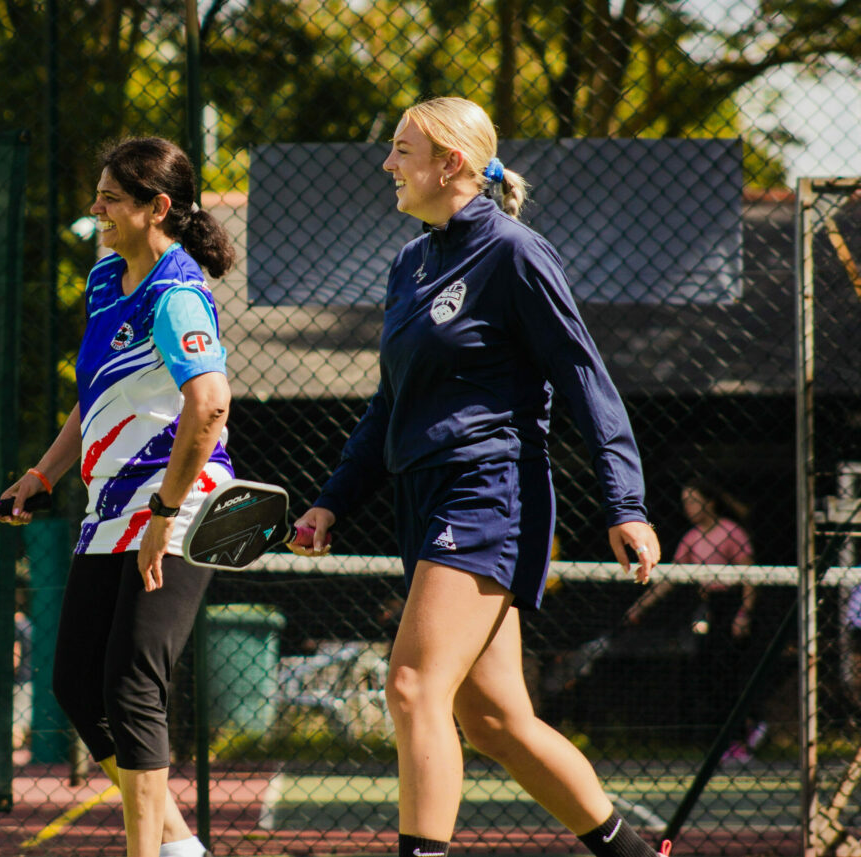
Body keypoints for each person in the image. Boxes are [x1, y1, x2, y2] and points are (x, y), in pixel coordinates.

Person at [289, 97, 666, 857]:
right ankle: (636, 854)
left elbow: (586, 379)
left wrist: (626, 501)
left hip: (490, 492)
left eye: (401, 150)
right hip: (424, 498)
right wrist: (333, 499)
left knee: (411, 686)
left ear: (450, 164)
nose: (387, 164)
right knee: (495, 721)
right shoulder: (410, 262)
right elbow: (390, 403)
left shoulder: (515, 253)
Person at [0, 136, 241, 857]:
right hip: (108, 510)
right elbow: (96, 397)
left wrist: (165, 515)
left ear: (156, 207)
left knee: (134, 686)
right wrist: (43, 472)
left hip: (177, 507)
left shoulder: (178, 293)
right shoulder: (107, 278)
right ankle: (179, 846)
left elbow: (209, 406)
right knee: (76, 682)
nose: (96, 206)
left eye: (110, 196)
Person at [624, 477, 762, 761]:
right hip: (708, 609)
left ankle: (745, 732)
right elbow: (670, 579)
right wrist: (640, 606)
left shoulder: (730, 532)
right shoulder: (692, 537)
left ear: (709, 502)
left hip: (731, 606)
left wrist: (744, 613)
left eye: (693, 500)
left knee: (730, 674)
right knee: (708, 672)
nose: (687, 507)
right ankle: (728, 737)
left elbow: (750, 577)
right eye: (685, 501)